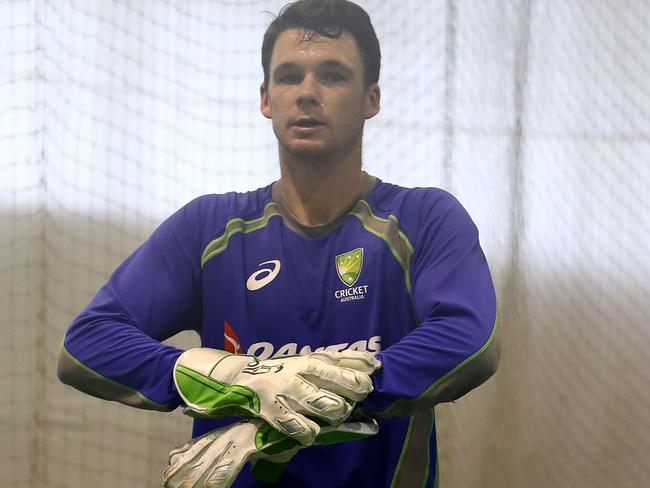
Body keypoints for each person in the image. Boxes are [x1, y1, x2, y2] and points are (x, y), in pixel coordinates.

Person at [57, 0, 501, 486]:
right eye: (290, 76)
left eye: (332, 75)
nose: (307, 93)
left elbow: (470, 341)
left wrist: (290, 404)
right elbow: (86, 345)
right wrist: (239, 381)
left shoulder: (424, 218)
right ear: (266, 98)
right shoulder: (209, 227)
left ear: (372, 98)